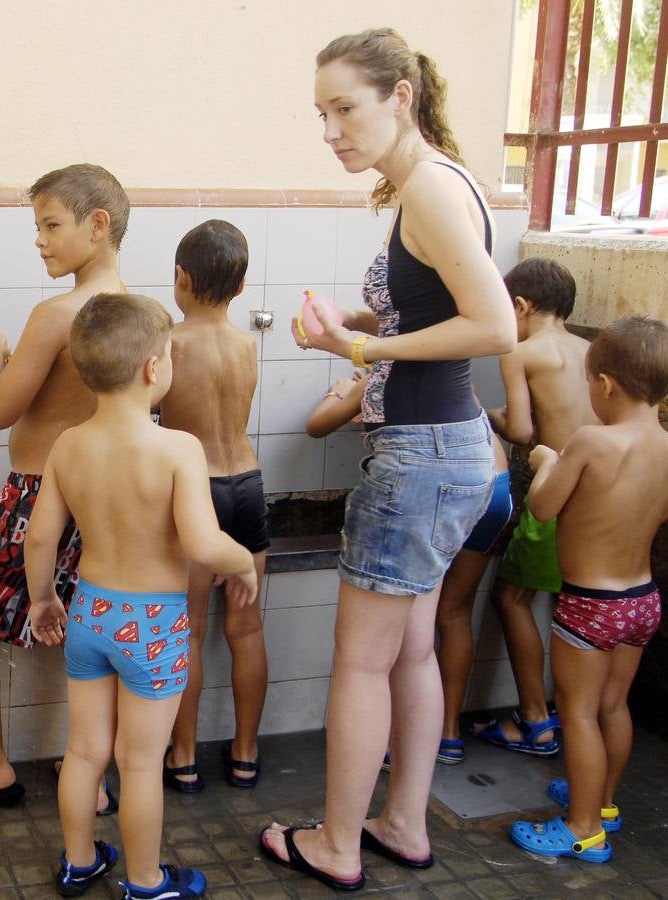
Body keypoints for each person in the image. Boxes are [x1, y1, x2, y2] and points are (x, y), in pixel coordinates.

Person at [259, 29, 515, 892]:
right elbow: (434, 313)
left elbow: (492, 326)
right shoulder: (435, 182)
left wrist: (362, 357)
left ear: (399, 95)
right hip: (450, 449)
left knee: (363, 661)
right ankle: (400, 822)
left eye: (344, 108)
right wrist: (355, 330)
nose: (330, 130)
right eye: (320, 113)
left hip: (419, 452)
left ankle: (334, 843)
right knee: (407, 651)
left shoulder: (430, 194)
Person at [27, 292, 257, 899]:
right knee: (139, 762)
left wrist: (43, 599)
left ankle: (79, 861)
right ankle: (146, 880)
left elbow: (41, 536)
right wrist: (244, 564)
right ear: (155, 369)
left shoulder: (68, 445)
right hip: (152, 623)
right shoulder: (177, 448)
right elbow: (205, 545)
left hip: (89, 612)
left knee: (83, 751)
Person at [0, 163, 128, 807]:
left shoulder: (56, 314)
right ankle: (90, 777)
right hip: (108, 496)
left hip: (38, 494)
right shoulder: (139, 313)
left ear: (97, 226)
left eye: (51, 225)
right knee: (92, 628)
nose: (39, 240)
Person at [508, 316, 668, 864]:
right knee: (614, 707)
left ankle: (581, 829)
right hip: (642, 599)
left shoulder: (591, 442)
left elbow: (543, 506)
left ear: (605, 385)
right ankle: (601, 804)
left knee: (576, 712)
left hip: (590, 605)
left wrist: (547, 460)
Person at [308, 375, 512, 765]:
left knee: (388, 640)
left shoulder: (382, 374)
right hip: (490, 484)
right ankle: (448, 734)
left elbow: (317, 425)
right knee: (452, 614)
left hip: (427, 493)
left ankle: (385, 740)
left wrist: (341, 390)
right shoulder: (452, 375)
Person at [158, 220, 268, 792]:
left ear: (180, 277)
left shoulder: (170, 345)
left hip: (197, 492)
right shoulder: (249, 344)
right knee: (247, 627)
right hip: (247, 484)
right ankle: (246, 752)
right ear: (242, 286)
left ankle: (184, 755)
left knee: (191, 630)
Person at [475, 257, 598, 757]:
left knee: (511, 598)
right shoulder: (592, 350)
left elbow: (524, 430)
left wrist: (483, 414)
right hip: (600, 496)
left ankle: (535, 720)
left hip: (558, 491)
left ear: (520, 307)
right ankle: (575, 718)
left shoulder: (520, 351)